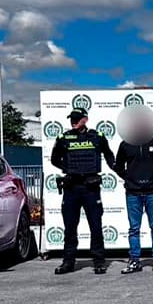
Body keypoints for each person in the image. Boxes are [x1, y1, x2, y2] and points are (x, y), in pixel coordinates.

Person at [50, 108, 116, 275]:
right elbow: (54, 159)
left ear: (85, 119)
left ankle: (99, 262)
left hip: (90, 188)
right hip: (71, 188)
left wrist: (121, 171)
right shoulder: (64, 138)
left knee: (96, 226)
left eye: (77, 119)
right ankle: (68, 262)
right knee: (70, 227)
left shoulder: (97, 137)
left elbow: (109, 156)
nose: (73, 121)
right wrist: (69, 169)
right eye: (72, 119)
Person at [114, 126, 153, 274]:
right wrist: (129, 178)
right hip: (133, 192)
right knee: (134, 229)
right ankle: (134, 260)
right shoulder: (125, 143)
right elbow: (118, 166)